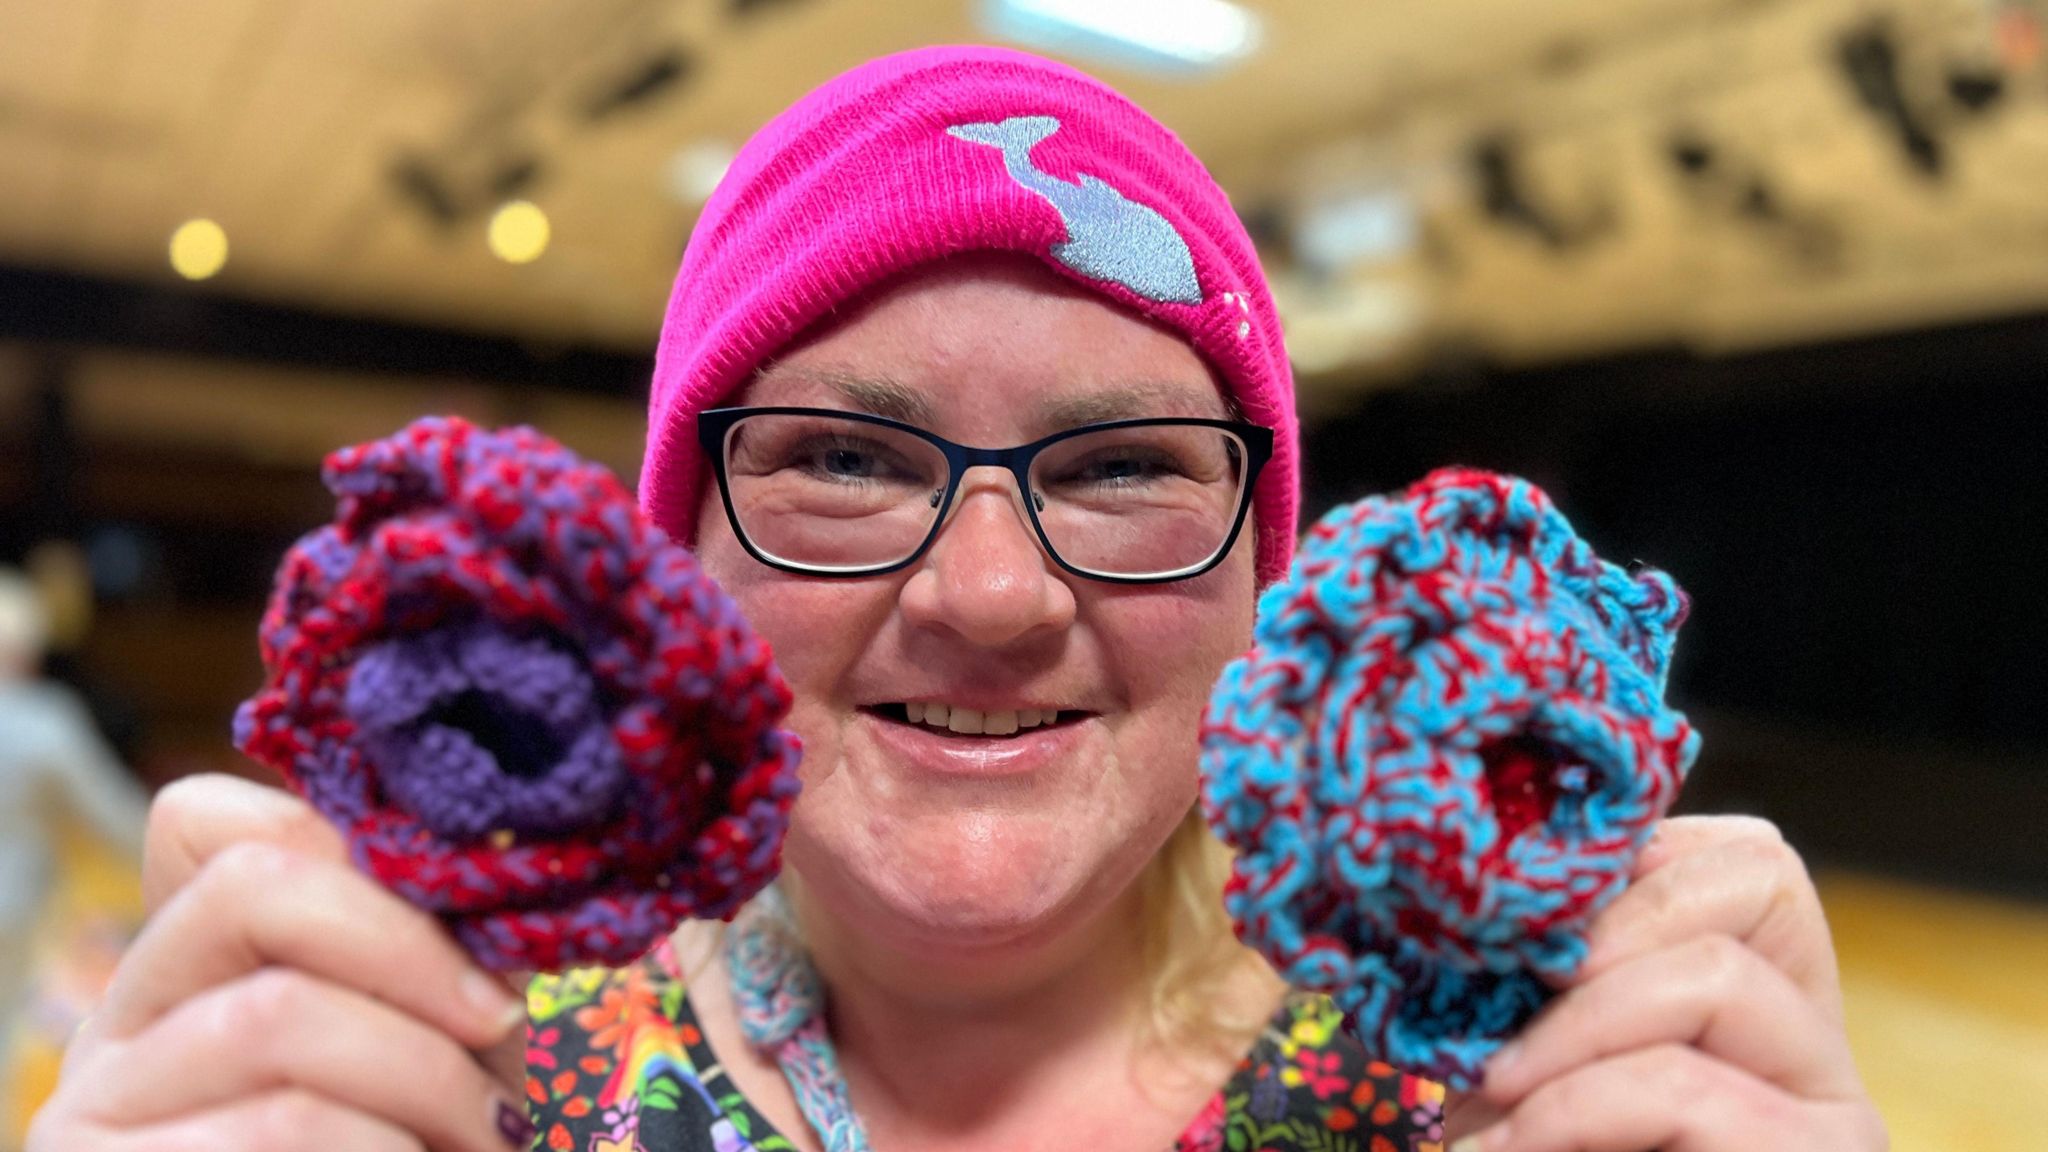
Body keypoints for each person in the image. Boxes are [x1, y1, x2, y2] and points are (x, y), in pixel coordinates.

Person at [26, 46, 1885, 1152]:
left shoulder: (1485, 1099)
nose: (990, 593)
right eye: (844, 458)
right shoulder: (455, 1090)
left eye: (1124, 469)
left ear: (1266, 585)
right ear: (677, 572)